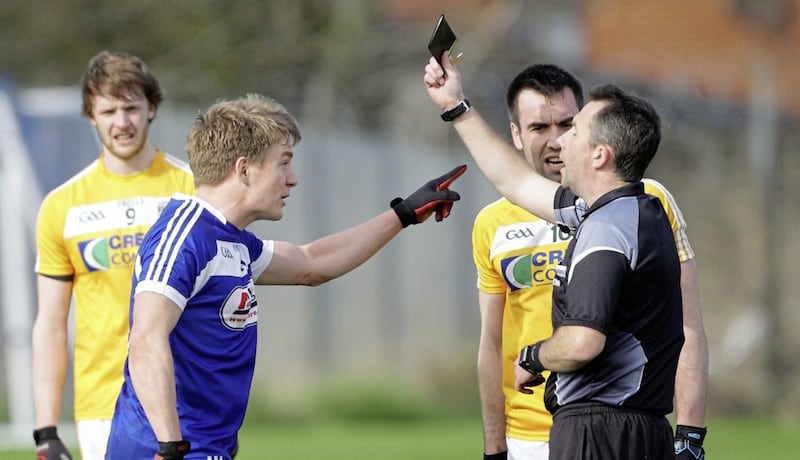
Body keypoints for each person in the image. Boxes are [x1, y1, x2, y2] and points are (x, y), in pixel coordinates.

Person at [104, 93, 466, 459]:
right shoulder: (184, 238)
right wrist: (170, 446)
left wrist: (403, 214)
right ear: (244, 169)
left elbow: (311, 263)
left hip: (202, 446)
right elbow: (146, 341)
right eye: (284, 163)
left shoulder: (231, 240)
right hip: (164, 448)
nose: (292, 180)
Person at [424, 53, 692, 459]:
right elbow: (512, 180)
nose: (559, 141)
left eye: (573, 129)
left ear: (600, 155)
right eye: (542, 127)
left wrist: (534, 356)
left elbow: (582, 341)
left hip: (600, 431)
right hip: (623, 428)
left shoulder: (607, 227)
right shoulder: (617, 209)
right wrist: (454, 106)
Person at [32, 51, 195, 460]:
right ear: (91, 115)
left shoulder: (192, 191)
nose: (121, 122)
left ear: (152, 107)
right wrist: (45, 430)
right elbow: (51, 325)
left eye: (131, 108)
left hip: (188, 402)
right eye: (108, 110)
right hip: (103, 408)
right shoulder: (62, 207)